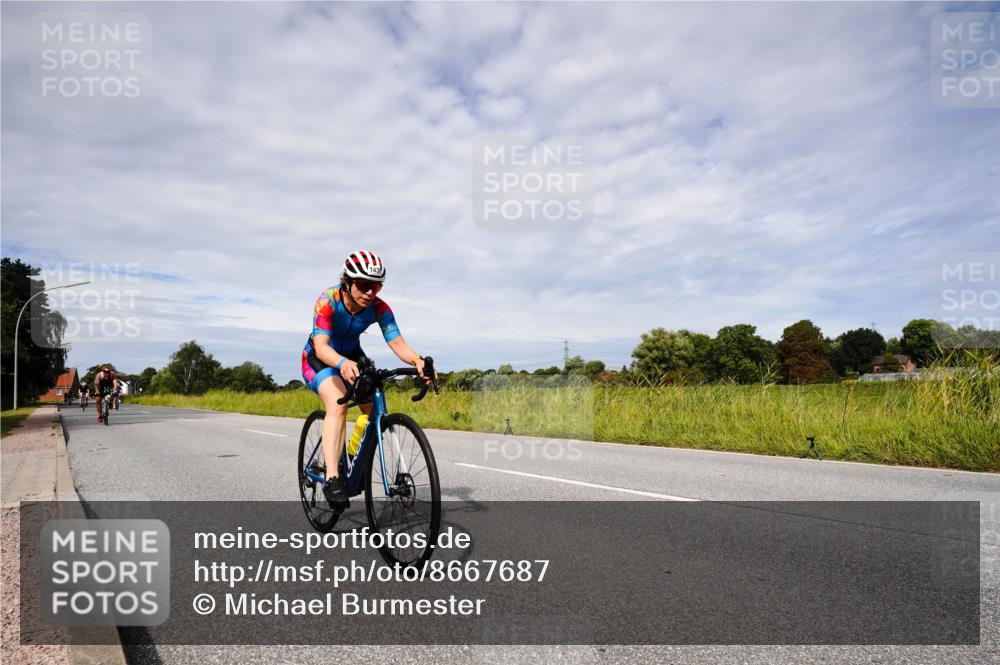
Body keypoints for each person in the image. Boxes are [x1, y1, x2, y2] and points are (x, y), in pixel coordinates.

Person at [301, 250, 434, 511]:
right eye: (364, 286)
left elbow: (396, 342)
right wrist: (341, 363)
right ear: (347, 282)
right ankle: (332, 477)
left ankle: (351, 457)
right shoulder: (328, 300)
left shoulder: (379, 308)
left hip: (353, 356)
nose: (371, 292)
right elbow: (322, 346)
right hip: (319, 358)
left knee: (373, 411)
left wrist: (417, 360)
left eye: (377, 286)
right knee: (337, 404)